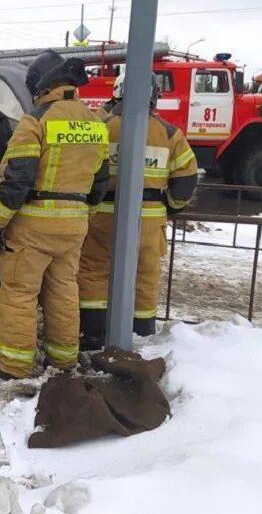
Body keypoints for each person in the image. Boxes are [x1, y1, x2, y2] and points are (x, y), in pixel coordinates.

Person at [0, 52, 109, 380]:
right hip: (75, 225)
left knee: (19, 293)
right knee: (64, 290)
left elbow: (15, 181)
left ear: (42, 85)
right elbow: (100, 181)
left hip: (34, 224)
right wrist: (80, 214)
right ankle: (64, 360)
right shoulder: (95, 124)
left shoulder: (36, 120)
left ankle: (14, 364)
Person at [76, 74, 199, 348]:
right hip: (150, 219)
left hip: (102, 214)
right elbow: (186, 180)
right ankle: (142, 334)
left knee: (94, 271)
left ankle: (93, 334)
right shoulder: (170, 134)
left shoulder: (100, 127)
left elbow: (81, 168)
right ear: (154, 97)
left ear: (118, 92)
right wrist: (170, 206)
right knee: (145, 275)